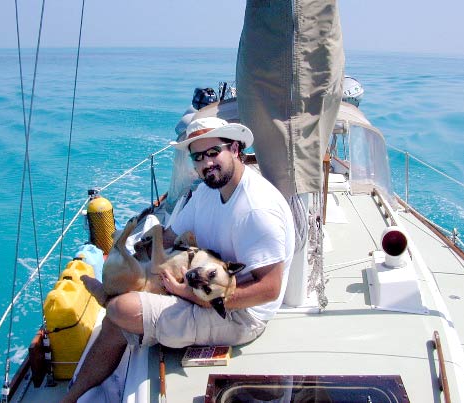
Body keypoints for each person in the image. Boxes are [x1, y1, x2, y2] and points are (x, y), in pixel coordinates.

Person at [61, 117, 295, 402]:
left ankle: (107, 304)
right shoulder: (207, 193)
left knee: (122, 309)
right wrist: (136, 258)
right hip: (195, 283)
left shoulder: (255, 210)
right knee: (118, 310)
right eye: (198, 157)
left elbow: (269, 289)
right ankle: (71, 397)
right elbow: (168, 236)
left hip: (239, 313)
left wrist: (194, 297)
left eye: (213, 152)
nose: (206, 163)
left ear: (234, 149)